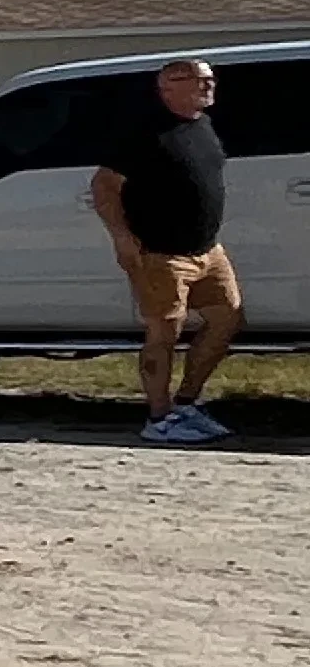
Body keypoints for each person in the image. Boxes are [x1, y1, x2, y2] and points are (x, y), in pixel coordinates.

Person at [92, 57, 238, 444]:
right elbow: (104, 187)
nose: (207, 86)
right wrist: (122, 238)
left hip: (207, 251)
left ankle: (186, 402)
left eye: (209, 79)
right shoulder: (144, 132)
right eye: (195, 79)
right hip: (160, 253)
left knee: (227, 318)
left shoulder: (202, 125)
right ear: (167, 87)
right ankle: (159, 418)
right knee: (164, 332)